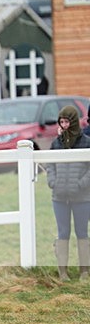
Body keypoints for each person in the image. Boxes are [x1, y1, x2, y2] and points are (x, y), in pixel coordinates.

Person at [45, 105, 90, 281]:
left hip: (82, 197)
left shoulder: (86, 142)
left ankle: (84, 271)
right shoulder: (56, 143)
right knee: (63, 232)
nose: (64, 125)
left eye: (66, 121)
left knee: (82, 232)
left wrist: (82, 184)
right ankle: (62, 272)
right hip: (60, 197)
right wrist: (53, 182)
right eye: (61, 121)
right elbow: (50, 165)